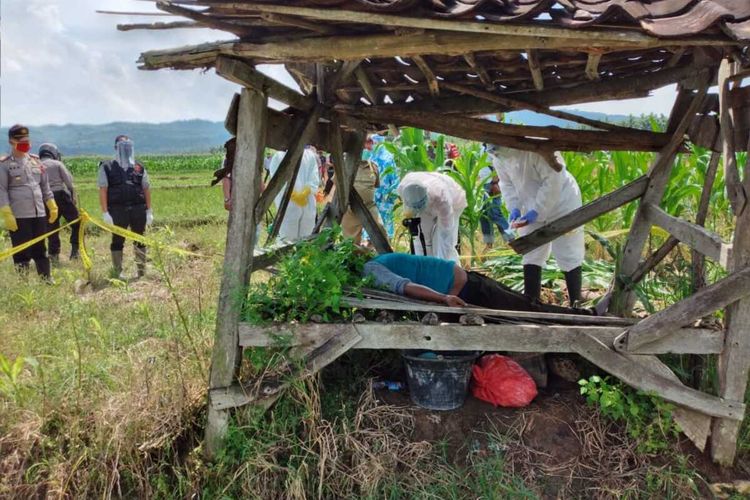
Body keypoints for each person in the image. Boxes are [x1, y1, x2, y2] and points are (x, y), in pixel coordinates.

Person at [490, 146, 585, 305]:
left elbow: (553, 181)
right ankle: (531, 302)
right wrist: (514, 207)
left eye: (494, 147)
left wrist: (537, 211)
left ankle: (576, 302)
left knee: (568, 250)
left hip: (563, 202)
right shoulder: (499, 157)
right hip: (530, 203)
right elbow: (507, 184)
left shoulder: (536, 150)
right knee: (531, 250)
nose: (491, 151)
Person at [362, 252, 595, 315]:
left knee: (528, 309)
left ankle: (588, 317)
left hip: (465, 288)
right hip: (467, 282)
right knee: (526, 305)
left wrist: (444, 299)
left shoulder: (370, 269)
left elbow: (405, 286)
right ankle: (587, 315)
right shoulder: (379, 260)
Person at [0, 125, 58, 280]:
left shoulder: (36, 161)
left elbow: (45, 186)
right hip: (19, 215)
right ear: (12, 141)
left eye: (27, 140)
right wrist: (7, 213)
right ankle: (23, 281)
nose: (26, 143)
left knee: (40, 248)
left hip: (38, 212)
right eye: (21, 140)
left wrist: (52, 205)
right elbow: (2, 190)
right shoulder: (4, 164)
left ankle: (46, 279)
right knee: (21, 251)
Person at [98, 135, 153, 278]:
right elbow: (103, 189)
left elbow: (146, 188)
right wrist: (105, 213)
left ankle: (141, 272)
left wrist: (149, 211)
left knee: (140, 238)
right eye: (122, 147)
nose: (125, 150)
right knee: (117, 240)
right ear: (116, 148)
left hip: (138, 209)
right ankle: (118, 272)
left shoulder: (139, 167)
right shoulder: (106, 166)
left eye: (128, 147)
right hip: (117, 210)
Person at [397, 171, 467, 263]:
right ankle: (423, 264)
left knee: (443, 242)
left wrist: (442, 263)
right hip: (428, 198)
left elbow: (446, 233)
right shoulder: (403, 187)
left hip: (454, 201)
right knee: (421, 236)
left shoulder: (442, 198)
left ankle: (449, 268)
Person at [266, 146, 320, 242]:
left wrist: (305, 192)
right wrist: (293, 195)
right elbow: (277, 179)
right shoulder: (279, 156)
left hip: (307, 202)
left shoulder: (310, 155)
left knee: (306, 238)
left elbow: (314, 176)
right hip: (288, 204)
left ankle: (304, 257)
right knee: (287, 239)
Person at [38, 143, 80, 262]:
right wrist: (73, 198)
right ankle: (75, 250)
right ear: (54, 153)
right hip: (61, 196)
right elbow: (70, 183)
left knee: (52, 227)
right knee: (76, 223)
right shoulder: (57, 164)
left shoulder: (35, 165)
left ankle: (53, 254)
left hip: (45, 199)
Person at [341, 158, 386, 245]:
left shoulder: (373, 167)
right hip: (351, 209)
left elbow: (376, 185)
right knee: (350, 243)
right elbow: (337, 185)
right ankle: (356, 256)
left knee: (380, 232)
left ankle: (382, 256)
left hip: (369, 207)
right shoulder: (344, 165)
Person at [478, 162, 512, 248]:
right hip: (484, 184)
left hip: (491, 183)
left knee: (495, 213)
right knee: (484, 215)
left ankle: (511, 240)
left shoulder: (489, 149)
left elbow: (496, 162)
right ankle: (489, 244)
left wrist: (495, 182)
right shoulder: (483, 148)